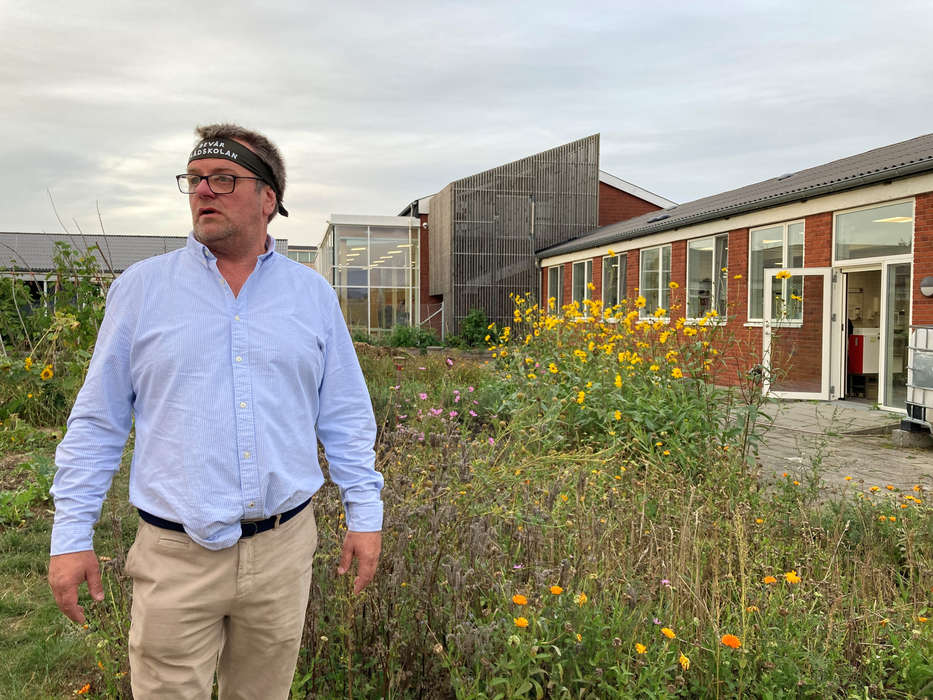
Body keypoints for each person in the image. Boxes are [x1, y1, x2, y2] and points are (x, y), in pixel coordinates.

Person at [47, 123, 383, 698]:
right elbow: (98, 421)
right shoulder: (142, 291)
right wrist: (70, 534)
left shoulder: (311, 297)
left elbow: (346, 416)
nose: (203, 190)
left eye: (224, 178)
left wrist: (365, 513)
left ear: (268, 198)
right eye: (195, 178)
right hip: (175, 556)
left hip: (282, 550)